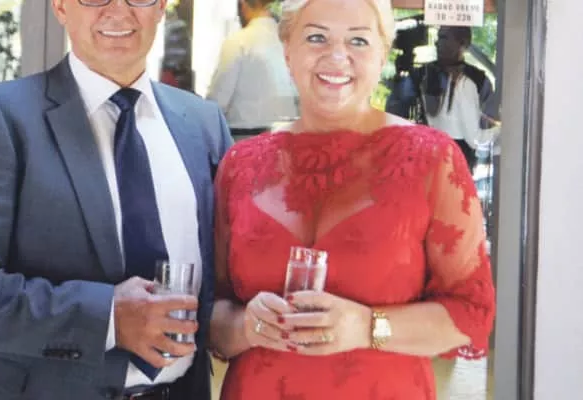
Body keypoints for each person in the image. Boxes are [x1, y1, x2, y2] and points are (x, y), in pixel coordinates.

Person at [0, 0, 232, 399]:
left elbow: (224, 283)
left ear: (161, 6)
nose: (118, 10)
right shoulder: (2, 116)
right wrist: (107, 318)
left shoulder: (203, 123)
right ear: (60, 7)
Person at [209, 0, 496, 399]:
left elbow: (471, 313)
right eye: (316, 37)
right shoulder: (239, 165)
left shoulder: (433, 159)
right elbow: (213, 314)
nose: (337, 56)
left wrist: (367, 327)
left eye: (358, 41)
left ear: (382, 54)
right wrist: (246, 327)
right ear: (287, 49)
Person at [386, 25, 499, 172]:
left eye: (443, 37)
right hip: (425, 155)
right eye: (439, 37)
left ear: (463, 43)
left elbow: (488, 119)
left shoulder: (477, 80)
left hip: (461, 158)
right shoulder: (421, 75)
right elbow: (395, 111)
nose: (437, 42)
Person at [206, 0, 298, 138]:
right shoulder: (290, 43)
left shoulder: (238, 41)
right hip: (286, 137)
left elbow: (217, 102)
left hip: (244, 137)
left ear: (243, 4)